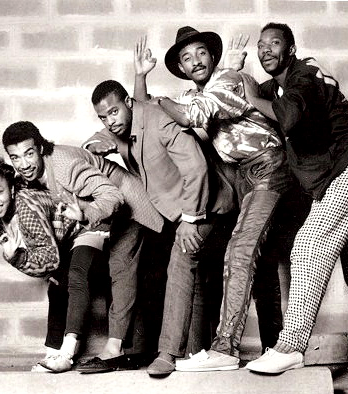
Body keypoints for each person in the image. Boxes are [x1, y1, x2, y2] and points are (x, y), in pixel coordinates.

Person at [242, 22, 348, 379]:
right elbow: (253, 95)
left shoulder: (305, 75)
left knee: (309, 245)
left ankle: (290, 347)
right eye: (261, 45)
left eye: (274, 43)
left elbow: (289, 114)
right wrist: (238, 73)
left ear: (291, 49)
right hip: (345, 170)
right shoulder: (279, 85)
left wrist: (253, 98)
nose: (266, 49)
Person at [132, 27, 292, 372]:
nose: (196, 61)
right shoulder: (193, 93)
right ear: (181, 68)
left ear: (213, 56)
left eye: (201, 53)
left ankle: (225, 349)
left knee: (241, 251)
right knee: (260, 261)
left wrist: (161, 101)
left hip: (267, 167)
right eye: (187, 58)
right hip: (241, 179)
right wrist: (141, 78)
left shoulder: (228, 79)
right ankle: (274, 350)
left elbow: (190, 115)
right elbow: (145, 115)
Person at [87, 80, 236, 377]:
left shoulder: (160, 119)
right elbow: (97, 139)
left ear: (128, 102)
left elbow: (197, 168)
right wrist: (93, 145)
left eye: (114, 112)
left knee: (180, 263)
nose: (110, 121)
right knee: (191, 278)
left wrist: (191, 219)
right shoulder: (121, 127)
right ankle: (195, 352)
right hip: (176, 210)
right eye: (103, 117)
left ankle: (168, 353)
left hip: (206, 204)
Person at [2, 121, 165, 374]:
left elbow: (113, 196)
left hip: (131, 210)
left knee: (119, 269)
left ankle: (109, 350)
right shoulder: (31, 176)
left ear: (41, 148)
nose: (23, 164)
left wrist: (85, 214)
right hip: (98, 220)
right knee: (65, 275)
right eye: (15, 158)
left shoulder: (64, 167)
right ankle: (59, 352)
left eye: (29, 153)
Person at [0, 154, 85, 372]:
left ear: (12, 190)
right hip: (59, 244)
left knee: (61, 285)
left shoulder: (26, 208)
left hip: (82, 232)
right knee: (57, 286)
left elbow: (51, 260)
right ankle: (52, 353)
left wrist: (16, 258)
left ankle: (63, 354)